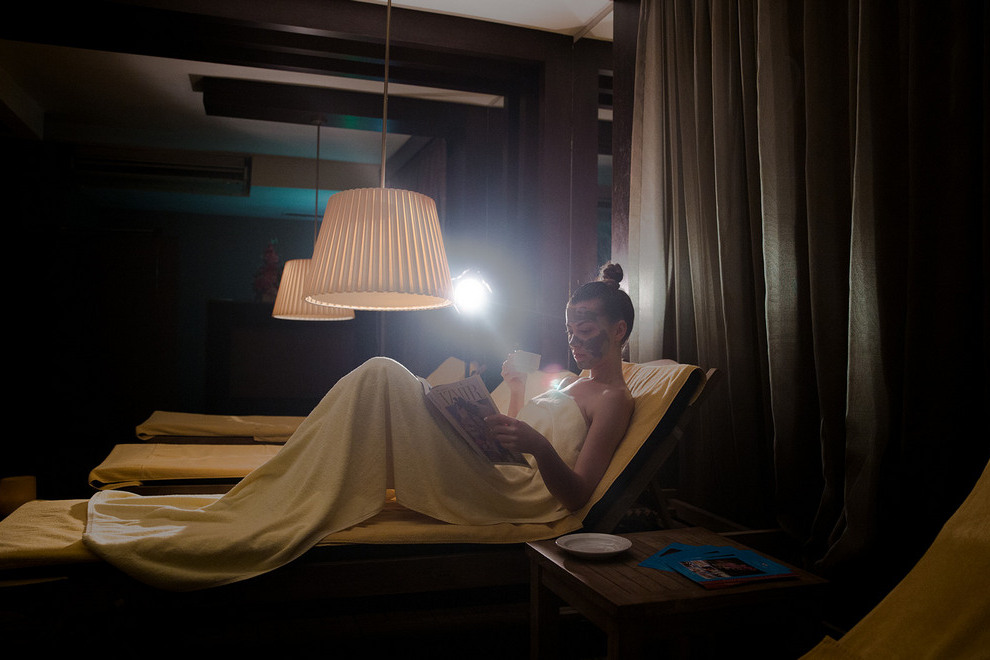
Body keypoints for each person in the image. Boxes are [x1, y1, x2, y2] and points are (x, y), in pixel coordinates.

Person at [83, 263, 637, 591]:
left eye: (585, 327)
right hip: (497, 470)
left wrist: (535, 443)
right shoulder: (565, 383)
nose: (573, 339)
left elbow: (577, 495)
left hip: (519, 498)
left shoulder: (614, 400)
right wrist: (505, 404)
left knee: (383, 374)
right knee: (383, 376)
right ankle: (288, 489)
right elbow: (520, 437)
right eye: (569, 328)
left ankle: (301, 496)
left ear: (619, 330)